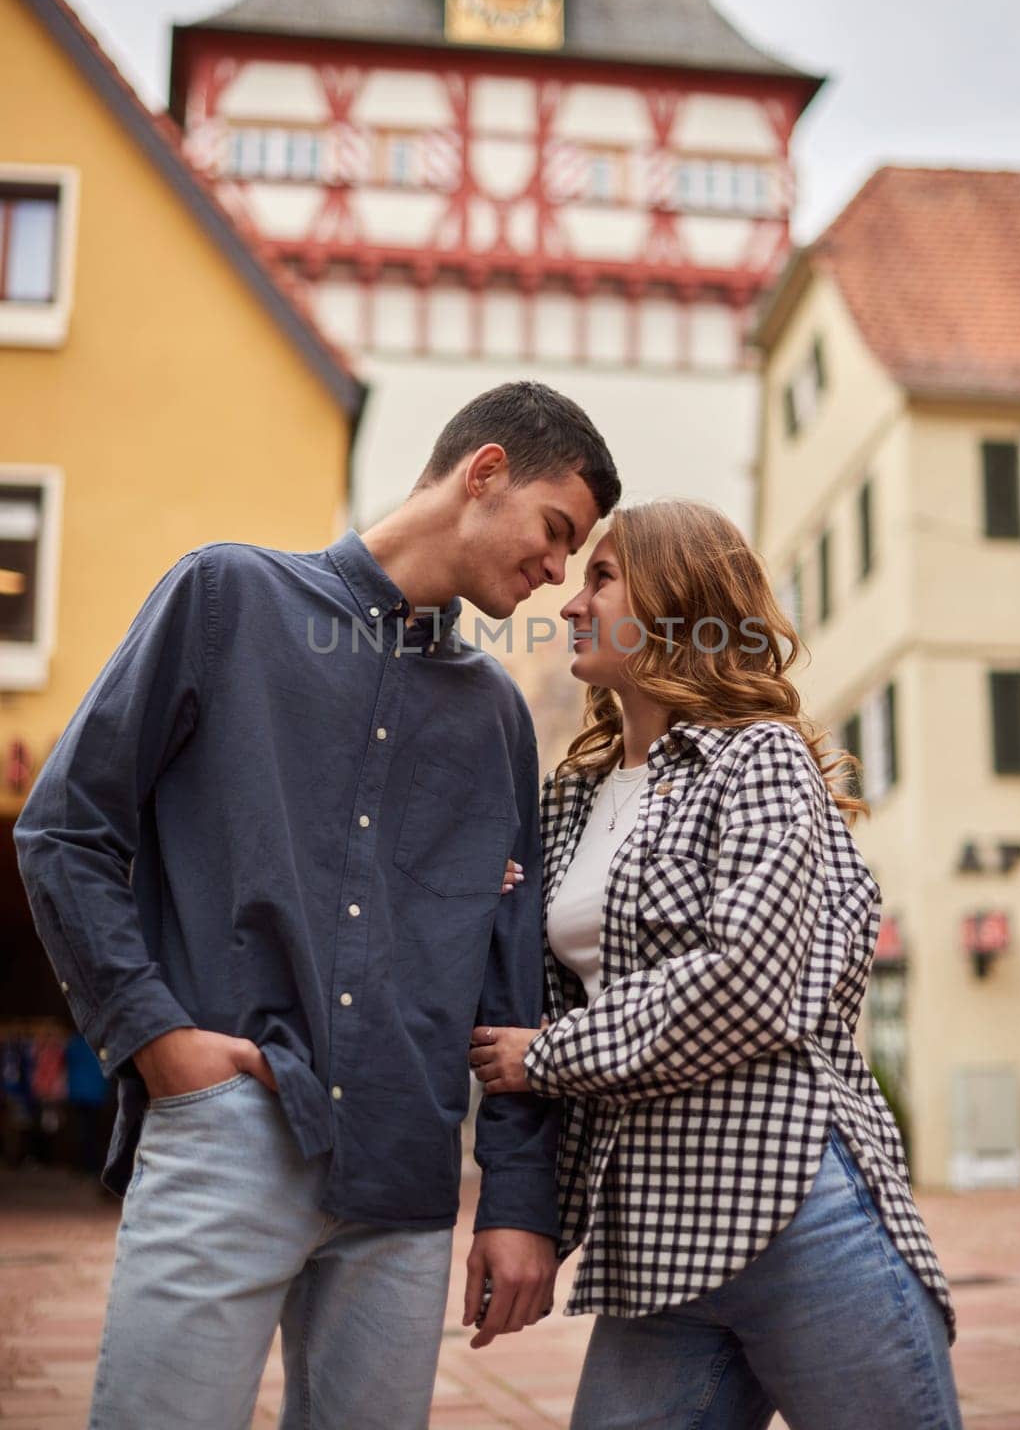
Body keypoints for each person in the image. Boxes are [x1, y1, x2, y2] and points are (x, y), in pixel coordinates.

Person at [15, 380, 621, 1430]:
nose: (559, 572)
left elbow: (508, 973)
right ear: (483, 473)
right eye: (555, 530)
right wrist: (155, 1037)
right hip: (231, 1126)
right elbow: (64, 831)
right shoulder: (226, 600)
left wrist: (519, 1202)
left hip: (406, 1178)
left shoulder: (496, 721)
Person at [470, 499, 963, 1430]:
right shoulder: (571, 799)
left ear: (677, 598)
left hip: (792, 1205)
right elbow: (529, 983)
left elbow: (746, 981)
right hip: (650, 1237)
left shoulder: (758, 760)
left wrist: (549, 1055)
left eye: (602, 578)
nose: (572, 604)